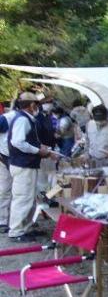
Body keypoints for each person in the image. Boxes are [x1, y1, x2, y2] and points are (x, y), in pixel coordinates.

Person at [8, 92, 59, 240]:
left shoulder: (25, 119)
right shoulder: (23, 120)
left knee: (29, 197)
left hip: (27, 164)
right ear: (31, 105)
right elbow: (18, 142)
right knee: (22, 198)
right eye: (36, 104)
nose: (38, 107)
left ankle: (26, 227)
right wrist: (38, 150)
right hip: (23, 165)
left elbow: (28, 141)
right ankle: (16, 231)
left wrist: (43, 148)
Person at [0, 102, 18, 232]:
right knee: (6, 190)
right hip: (6, 157)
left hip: (10, 156)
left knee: (8, 190)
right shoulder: (9, 117)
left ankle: (6, 220)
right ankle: (3, 221)